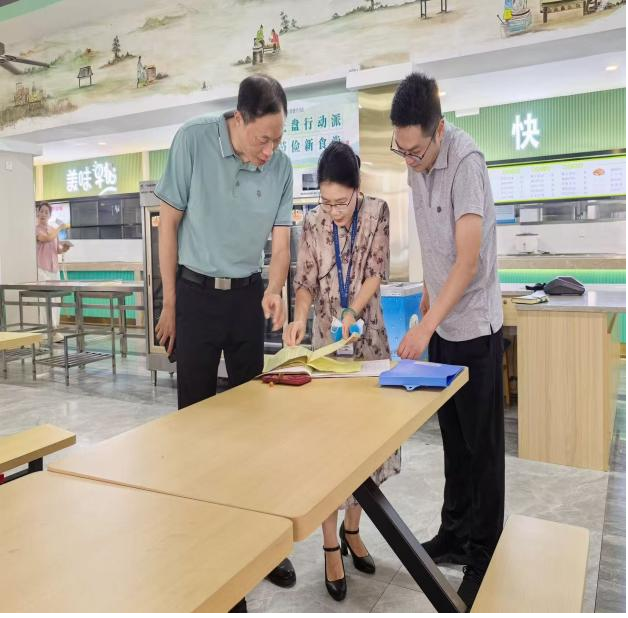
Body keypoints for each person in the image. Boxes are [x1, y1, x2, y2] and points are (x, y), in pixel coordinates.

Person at [154, 75, 296, 612]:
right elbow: (169, 226)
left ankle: (259, 545)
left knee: (250, 427)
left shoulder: (279, 167)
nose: (270, 150)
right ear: (238, 119)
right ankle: (203, 542)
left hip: (246, 298)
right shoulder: (193, 140)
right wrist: (170, 304)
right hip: (194, 294)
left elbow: (280, 244)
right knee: (195, 424)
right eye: (263, 138)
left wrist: (275, 289)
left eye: (278, 139)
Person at [389, 72, 505, 607]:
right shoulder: (417, 164)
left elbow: (468, 260)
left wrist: (426, 324)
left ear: (438, 131)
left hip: (475, 329)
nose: (409, 160)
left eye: (415, 151)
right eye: (401, 150)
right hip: (441, 325)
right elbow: (434, 250)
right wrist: (425, 303)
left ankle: (485, 553)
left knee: (483, 451)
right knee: (454, 444)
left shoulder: (466, 162)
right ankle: (455, 533)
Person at [284, 141, 399, 603]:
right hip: (327, 348)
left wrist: (352, 310)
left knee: (369, 444)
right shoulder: (312, 222)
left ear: (358, 189)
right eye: (326, 202)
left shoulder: (377, 213)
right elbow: (306, 282)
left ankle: (354, 529)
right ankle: (330, 544)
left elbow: (375, 273)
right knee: (328, 448)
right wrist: (298, 318)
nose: (332, 211)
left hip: (367, 340)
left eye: (341, 202)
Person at [35, 202, 71, 340]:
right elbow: (46, 239)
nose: (43, 214)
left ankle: (54, 329)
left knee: (56, 300)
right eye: (41, 211)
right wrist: (59, 228)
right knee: (44, 301)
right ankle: (44, 332)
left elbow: (57, 249)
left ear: (50, 215)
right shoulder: (36, 229)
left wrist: (64, 249)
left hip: (54, 269)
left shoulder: (52, 230)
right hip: (42, 269)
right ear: (37, 213)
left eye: (46, 212)